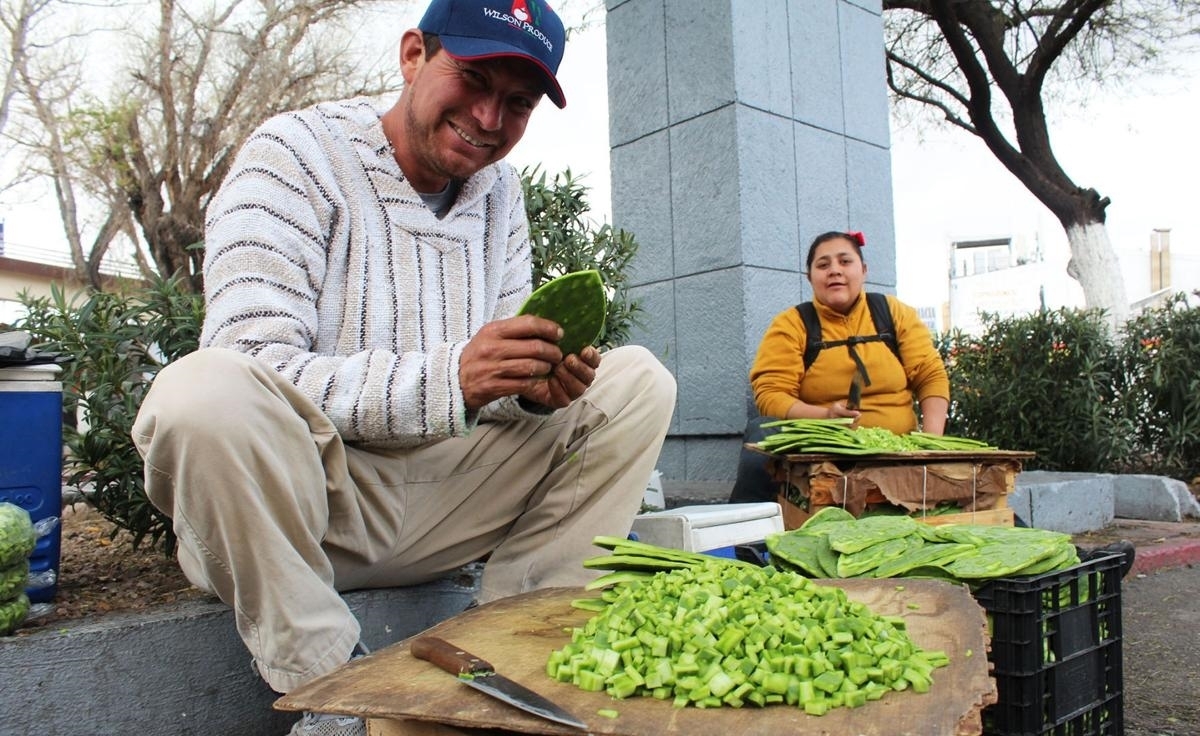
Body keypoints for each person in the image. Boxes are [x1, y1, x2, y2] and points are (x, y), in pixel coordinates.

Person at [130, 1, 676, 734]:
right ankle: (338, 701)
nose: (488, 117)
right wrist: (451, 380)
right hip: (312, 511)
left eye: (517, 103)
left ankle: (519, 652)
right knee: (200, 392)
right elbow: (253, 358)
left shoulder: (497, 193)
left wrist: (534, 392)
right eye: (473, 78)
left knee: (636, 381)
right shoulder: (294, 154)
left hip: (446, 501)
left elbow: (494, 380)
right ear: (414, 55)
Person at [729, 230, 949, 504]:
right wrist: (824, 416)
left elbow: (931, 375)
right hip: (821, 453)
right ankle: (747, 536)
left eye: (845, 261)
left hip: (899, 451)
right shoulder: (791, 324)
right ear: (810, 277)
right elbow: (771, 395)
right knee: (761, 430)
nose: (834, 271)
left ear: (864, 270)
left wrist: (932, 447)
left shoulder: (894, 313)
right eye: (823, 265)